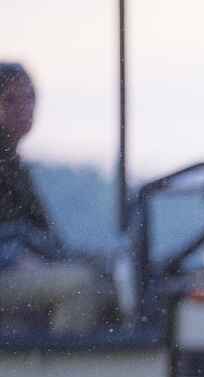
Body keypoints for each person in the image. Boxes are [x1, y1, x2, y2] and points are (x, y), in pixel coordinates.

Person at [0, 62, 118, 334]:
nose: (24, 108)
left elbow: (40, 234)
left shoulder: (13, 163)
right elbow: (16, 237)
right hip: (7, 270)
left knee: (107, 275)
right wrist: (19, 256)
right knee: (78, 287)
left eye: (30, 98)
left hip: (18, 266)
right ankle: (56, 371)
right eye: (10, 100)